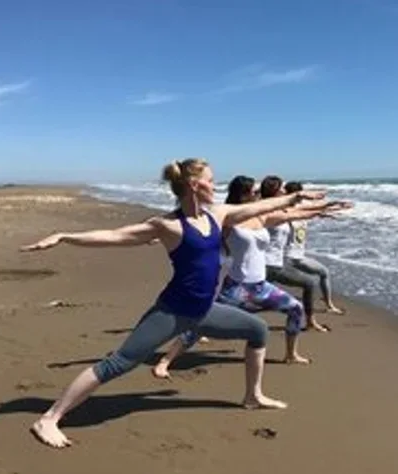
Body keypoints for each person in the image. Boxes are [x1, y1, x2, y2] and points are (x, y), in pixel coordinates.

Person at [20, 158, 326, 448]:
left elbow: (259, 206)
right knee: (119, 363)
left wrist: (294, 198)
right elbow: (115, 235)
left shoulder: (217, 214)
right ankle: (49, 419)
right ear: (194, 185)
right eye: (210, 180)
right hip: (173, 312)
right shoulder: (168, 225)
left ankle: (252, 396)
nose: (214, 184)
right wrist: (65, 236)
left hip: (204, 311)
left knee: (257, 330)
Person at [152, 175, 342, 379]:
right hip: (237, 289)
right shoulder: (227, 219)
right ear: (243, 195)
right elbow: (197, 229)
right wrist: (161, 236)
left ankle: (291, 355)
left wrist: (320, 209)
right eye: (254, 191)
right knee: (200, 325)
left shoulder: (260, 217)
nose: (258, 194)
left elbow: (292, 214)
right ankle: (164, 362)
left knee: (296, 309)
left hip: (261, 287)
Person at [260, 176, 348, 332]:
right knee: (309, 283)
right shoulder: (268, 210)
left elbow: (302, 210)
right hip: (272, 263)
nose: (284, 190)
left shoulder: (281, 209)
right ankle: (310, 321)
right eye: (281, 188)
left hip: (275, 263)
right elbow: (297, 212)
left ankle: (311, 320)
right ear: (275, 191)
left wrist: (329, 207)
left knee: (251, 297)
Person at [283, 180, 352, 314]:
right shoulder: (286, 211)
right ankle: (327, 306)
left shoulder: (302, 207)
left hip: (297, 256)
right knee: (318, 276)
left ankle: (328, 305)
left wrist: (338, 207)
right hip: (290, 257)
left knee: (322, 273)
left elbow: (318, 209)